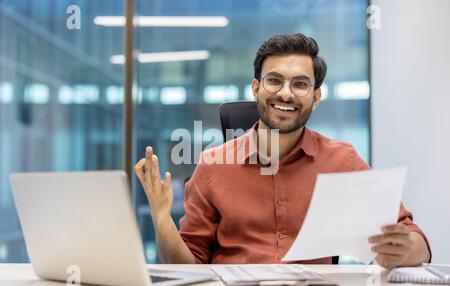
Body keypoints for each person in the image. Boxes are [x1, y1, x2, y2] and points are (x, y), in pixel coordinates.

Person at [134, 33, 431, 268]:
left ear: (315, 98)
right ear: (255, 89)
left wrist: (405, 249)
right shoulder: (213, 165)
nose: (286, 93)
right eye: (274, 80)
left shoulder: (341, 160)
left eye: (300, 84)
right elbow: (189, 265)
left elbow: (415, 239)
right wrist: (161, 217)